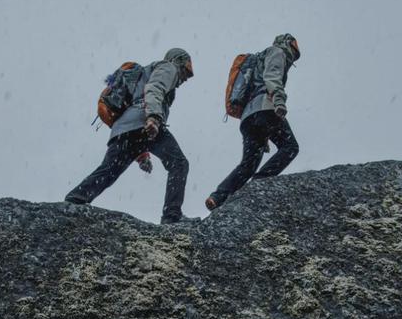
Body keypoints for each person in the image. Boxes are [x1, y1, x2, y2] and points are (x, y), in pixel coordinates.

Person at [65, 48, 194, 224]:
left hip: (124, 129)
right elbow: (154, 88)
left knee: (108, 171)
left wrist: (142, 156)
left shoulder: (145, 72)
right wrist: (154, 118)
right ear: (178, 61)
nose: (186, 78)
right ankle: (172, 216)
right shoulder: (168, 67)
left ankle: (75, 200)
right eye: (186, 71)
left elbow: (136, 110)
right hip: (145, 121)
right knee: (179, 164)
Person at [205, 34, 300, 211]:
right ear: (288, 45)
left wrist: (262, 136)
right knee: (290, 147)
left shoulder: (257, 60)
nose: (293, 57)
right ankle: (259, 184)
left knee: (248, 165)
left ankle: (218, 197)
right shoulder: (277, 52)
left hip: (248, 117)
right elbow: (272, 77)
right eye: (294, 51)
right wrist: (279, 101)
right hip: (266, 107)